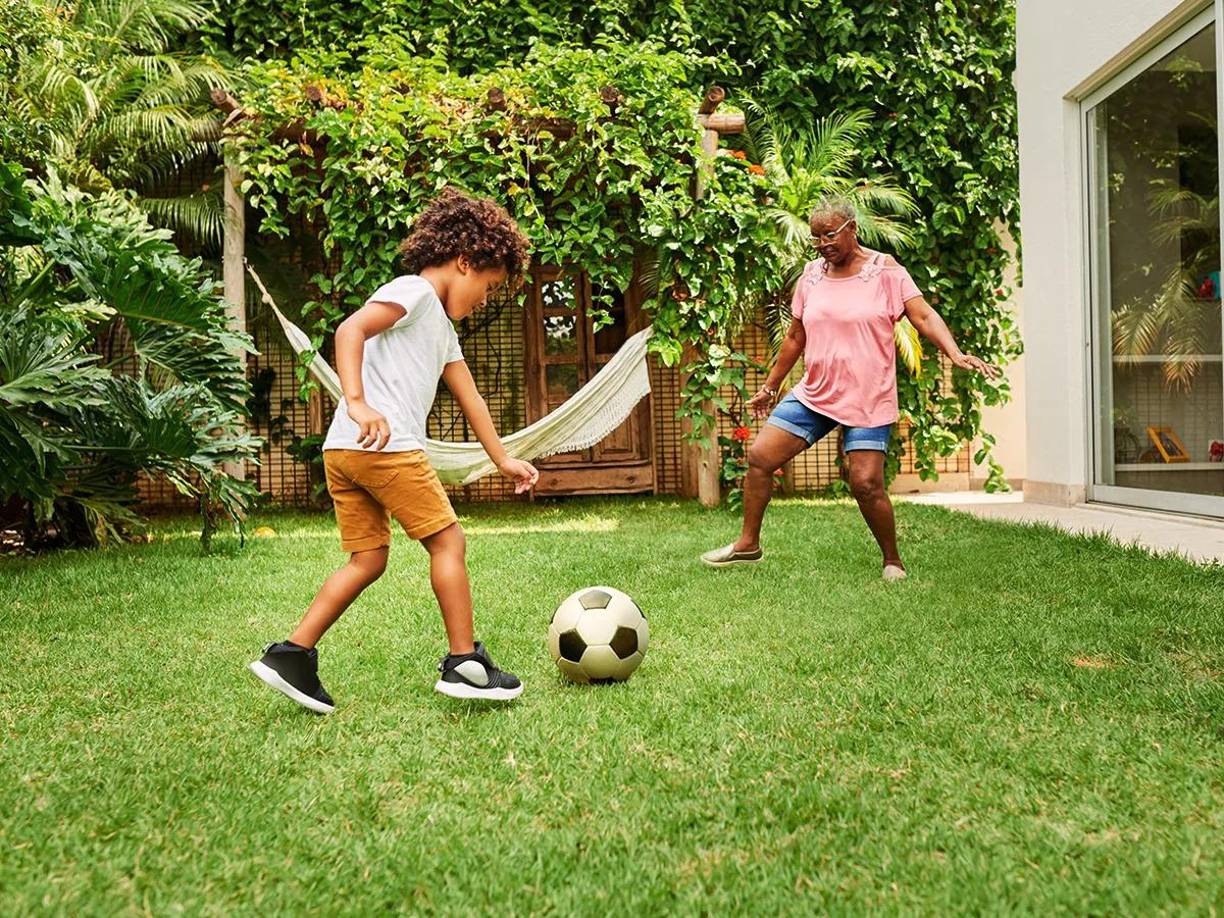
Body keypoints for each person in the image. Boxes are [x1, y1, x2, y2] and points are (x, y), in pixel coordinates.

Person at [249, 188, 539, 713]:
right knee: (448, 543)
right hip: (383, 446)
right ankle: (463, 663)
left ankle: (292, 654)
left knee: (368, 559)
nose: (486, 299)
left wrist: (502, 458)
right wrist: (357, 401)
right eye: (489, 286)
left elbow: (469, 395)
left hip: (346, 451)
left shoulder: (441, 329)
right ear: (464, 261)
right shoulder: (417, 293)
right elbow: (350, 328)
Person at [701, 197, 999, 580]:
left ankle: (892, 559)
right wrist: (771, 386)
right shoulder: (810, 276)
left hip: (868, 396)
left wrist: (955, 353)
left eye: (830, 234)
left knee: (866, 484)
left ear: (852, 228)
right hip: (816, 393)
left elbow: (922, 314)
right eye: (815, 237)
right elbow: (795, 336)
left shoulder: (885, 272)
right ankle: (748, 544)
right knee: (760, 458)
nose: (823, 243)